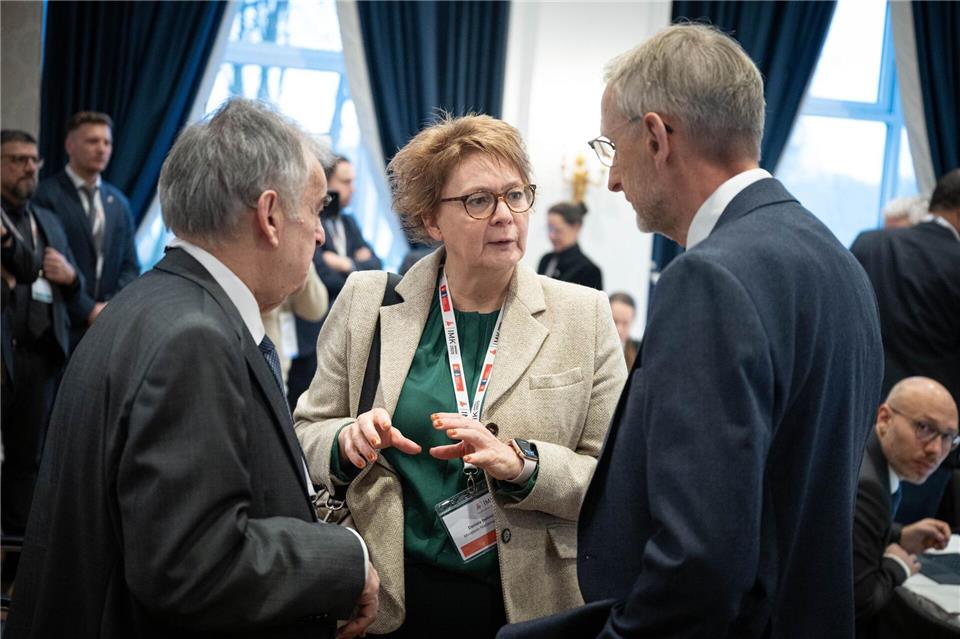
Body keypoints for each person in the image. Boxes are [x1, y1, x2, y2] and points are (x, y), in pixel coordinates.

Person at [499, 24, 884, 639]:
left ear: (656, 137)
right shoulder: (840, 263)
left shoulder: (711, 278)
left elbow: (700, 559)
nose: (612, 180)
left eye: (611, 148)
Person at [5, 99, 378, 639]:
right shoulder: (195, 339)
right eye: (316, 210)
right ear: (270, 216)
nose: (321, 235)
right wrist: (347, 558)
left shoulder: (149, 302)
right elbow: (195, 565)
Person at [294, 114, 626, 637]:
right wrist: (344, 440)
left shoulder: (583, 316)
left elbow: (616, 480)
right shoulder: (367, 301)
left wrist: (524, 464)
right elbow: (307, 430)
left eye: (516, 195)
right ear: (431, 220)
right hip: (387, 596)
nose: (505, 215)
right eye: (478, 200)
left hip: (529, 605)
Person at [851, 168, 960, 526]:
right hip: (927, 441)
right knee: (907, 545)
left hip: (856, 427)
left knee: (853, 541)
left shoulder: (869, 244)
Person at [1, 130, 83, 538]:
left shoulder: (47, 219)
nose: (29, 168)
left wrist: (70, 276)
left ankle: (16, 560)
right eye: (17, 160)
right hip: (3, 354)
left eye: (34, 160)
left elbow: (74, 285)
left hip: (42, 356)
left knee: (28, 461)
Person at [854, 377, 956, 637]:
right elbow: (859, 604)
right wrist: (897, 565)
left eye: (948, 437)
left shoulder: (867, 456)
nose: (936, 449)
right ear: (885, 419)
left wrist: (899, 535)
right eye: (924, 428)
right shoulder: (869, 488)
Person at [32, 111, 140, 350]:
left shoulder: (118, 202)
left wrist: (108, 308)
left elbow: (131, 266)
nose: (102, 149)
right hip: (59, 327)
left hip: (107, 324)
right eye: (93, 141)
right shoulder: (45, 196)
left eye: (107, 142)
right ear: (70, 145)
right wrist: (88, 309)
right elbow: (50, 263)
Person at [287, 155, 381, 410]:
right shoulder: (311, 223)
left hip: (348, 330)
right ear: (326, 185)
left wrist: (345, 263)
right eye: (346, 182)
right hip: (311, 333)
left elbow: (376, 266)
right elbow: (322, 275)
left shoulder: (349, 221)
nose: (353, 189)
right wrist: (357, 263)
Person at [261, 261, 327, 384]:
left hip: (281, 366)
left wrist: (305, 262)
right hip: (254, 364)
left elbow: (315, 310)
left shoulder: (296, 257)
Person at [536, 201, 603, 290]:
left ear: (576, 227)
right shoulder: (546, 260)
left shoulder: (590, 270)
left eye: (557, 230)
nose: (551, 236)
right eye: (549, 229)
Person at [608, 291, 640, 369]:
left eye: (625, 323)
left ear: (632, 321)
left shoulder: (640, 352)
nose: (619, 330)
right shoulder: (591, 348)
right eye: (614, 321)